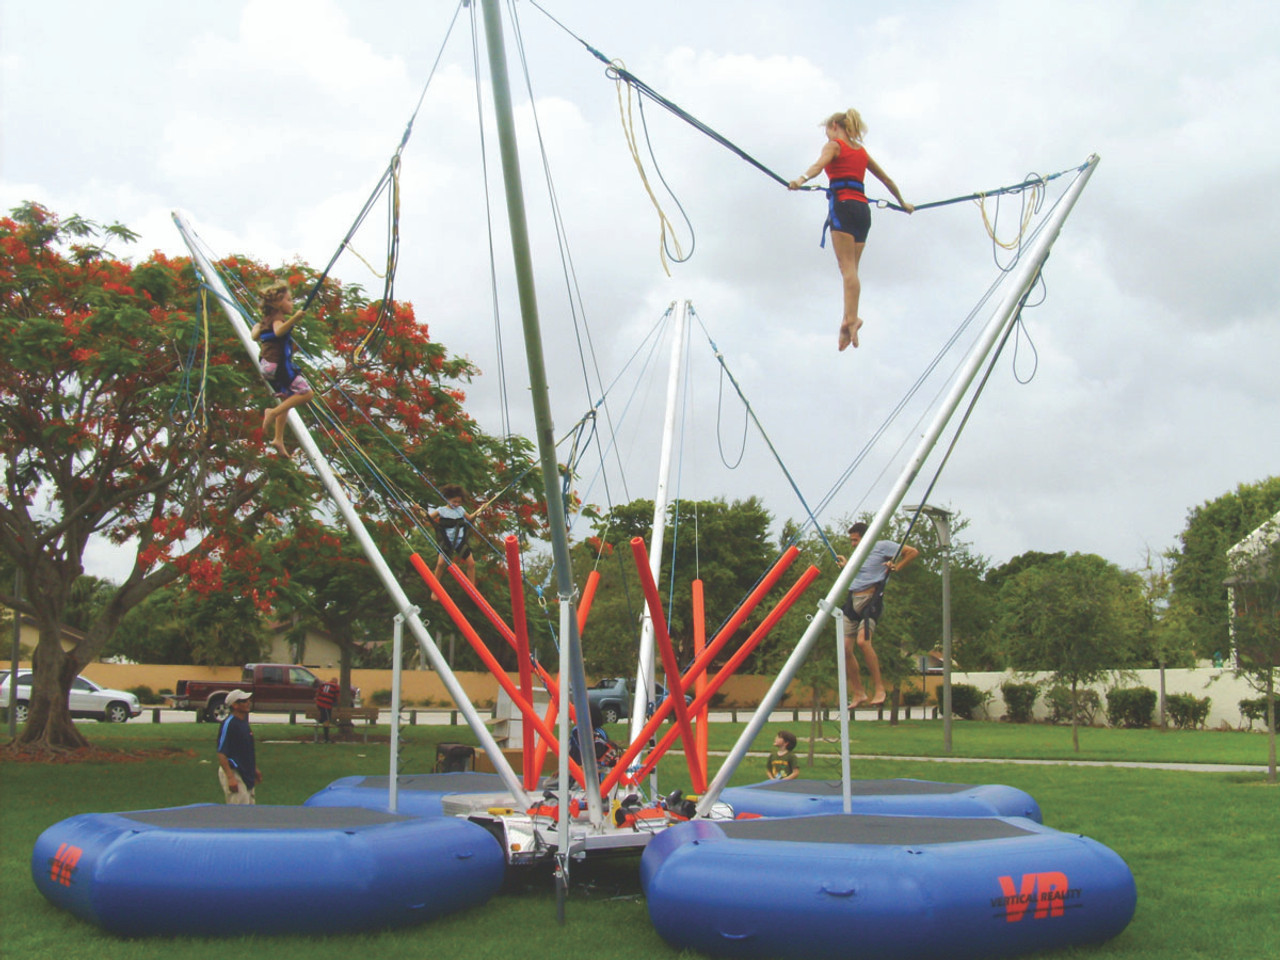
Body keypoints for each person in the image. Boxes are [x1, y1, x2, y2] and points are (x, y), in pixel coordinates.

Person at [788, 109, 914, 352]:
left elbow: (818, 166)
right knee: (852, 272)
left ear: (835, 125)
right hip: (863, 211)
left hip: (843, 206)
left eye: (827, 132)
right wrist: (903, 203)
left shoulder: (835, 146)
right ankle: (849, 320)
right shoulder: (861, 152)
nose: (827, 138)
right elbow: (887, 180)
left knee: (847, 271)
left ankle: (851, 319)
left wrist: (800, 180)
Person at [836, 521, 919, 707]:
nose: (853, 544)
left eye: (855, 540)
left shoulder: (882, 546)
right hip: (852, 598)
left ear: (866, 537)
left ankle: (879, 689)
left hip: (871, 599)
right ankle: (859, 693)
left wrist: (898, 565)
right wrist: (847, 566)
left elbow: (912, 552)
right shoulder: (858, 555)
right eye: (851, 541)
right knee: (845, 649)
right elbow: (862, 571)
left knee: (863, 642)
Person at [252, 279, 314, 456]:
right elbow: (279, 331)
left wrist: (256, 326)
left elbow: (254, 335)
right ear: (278, 304)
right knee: (307, 393)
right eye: (289, 300)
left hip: (266, 366)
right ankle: (272, 413)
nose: (292, 303)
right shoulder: (278, 319)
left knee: (287, 398)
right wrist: (294, 319)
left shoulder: (264, 321)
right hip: (278, 366)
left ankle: (278, 438)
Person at [428, 484, 478, 595]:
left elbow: (470, 519)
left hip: (460, 542)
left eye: (459, 502)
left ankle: (472, 589)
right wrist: (419, 510)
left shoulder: (460, 510)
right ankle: (434, 590)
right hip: (447, 542)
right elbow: (428, 518)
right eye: (454, 501)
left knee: (471, 563)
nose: (456, 504)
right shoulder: (441, 510)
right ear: (447, 499)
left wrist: (477, 512)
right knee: (440, 564)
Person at [216, 690, 261, 804]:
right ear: (235, 705)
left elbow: (247, 750)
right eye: (244, 701)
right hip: (234, 771)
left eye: (248, 700)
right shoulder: (229, 724)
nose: (248, 703)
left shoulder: (244, 723)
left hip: (247, 772)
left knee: (250, 810)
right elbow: (222, 753)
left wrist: (254, 769)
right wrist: (230, 777)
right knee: (239, 811)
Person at [314, 675, 340, 743]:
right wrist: (338, 705)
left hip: (320, 703)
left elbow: (317, 694)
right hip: (326, 705)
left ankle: (321, 720)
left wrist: (317, 702)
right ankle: (326, 738)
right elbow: (338, 697)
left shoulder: (323, 684)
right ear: (336, 682)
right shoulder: (335, 686)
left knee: (326, 719)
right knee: (327, 720)